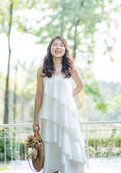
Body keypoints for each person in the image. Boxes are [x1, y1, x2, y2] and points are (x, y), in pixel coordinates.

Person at [33, 35, 87, 173]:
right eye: (55, 45)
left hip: (67, 114)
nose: (58, 47)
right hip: (48, 114)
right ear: (50, 48)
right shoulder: (42, 70)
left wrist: (67, 97)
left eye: (61, 45)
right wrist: (35, 119)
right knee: (51, 145)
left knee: (69, 143)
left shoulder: (71, 68)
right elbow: (39, 95)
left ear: (65, 49)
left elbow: (80, 86)